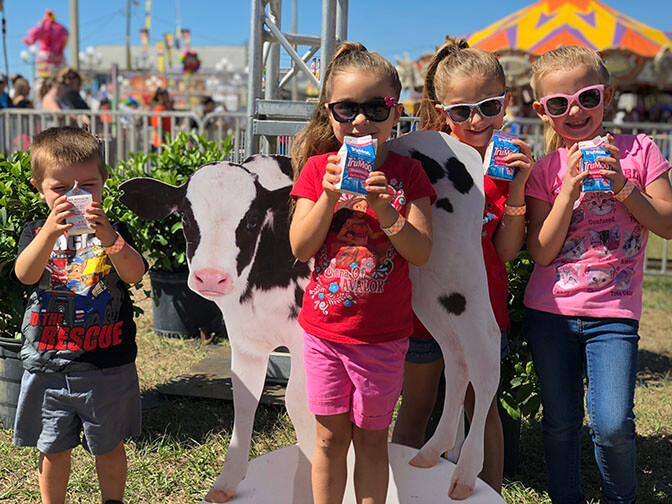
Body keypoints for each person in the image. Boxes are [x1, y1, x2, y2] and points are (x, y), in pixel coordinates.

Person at [289, 42, 436, 504]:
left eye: (376, 107)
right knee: (330, 440)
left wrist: (385, 208)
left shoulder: (408, 174)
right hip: (325, 334)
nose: (360, 120)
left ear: (396, 112)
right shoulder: (317, 170)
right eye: (346, 108)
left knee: (372, 441)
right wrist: (330, 196)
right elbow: (300, 246)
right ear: (329, 113)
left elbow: (421, 251)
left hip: (384, 339)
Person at [524, 45, 672, 504]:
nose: (575, 111)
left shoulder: (640, 150)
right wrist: (567, 189)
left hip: (614, 314)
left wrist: (623, 186)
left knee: (612, 425)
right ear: (543, 112)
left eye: (587, 98)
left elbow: (667, 224)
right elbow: (541, 253)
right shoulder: (546, 170)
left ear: (607, 97)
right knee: (561, 422)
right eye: (558, 103)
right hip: (550, 313)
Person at [391, 35, 534, 495]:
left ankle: (488, 494)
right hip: (422, 307)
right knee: (415, 404)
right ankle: (401, 490)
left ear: (506, 102)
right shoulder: (424, 161)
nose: (477, 121)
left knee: (482, 407)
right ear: (440, 110)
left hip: (481, 303)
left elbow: (508, 250)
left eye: (489, 106)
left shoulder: (510, 162)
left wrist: (517, 189)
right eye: (461, 112)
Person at [12, 126, 147, 504]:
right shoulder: (35, 231)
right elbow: (26, 274)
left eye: (87, 186)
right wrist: (48, 236)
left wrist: (111, 239)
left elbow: (134, 274)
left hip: (106, 363)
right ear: (39, 188)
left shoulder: (115, 231)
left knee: (108, 446)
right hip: (49, 365)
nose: (74, 197)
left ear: (104, 182)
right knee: (52, 447)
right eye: (60, 189)